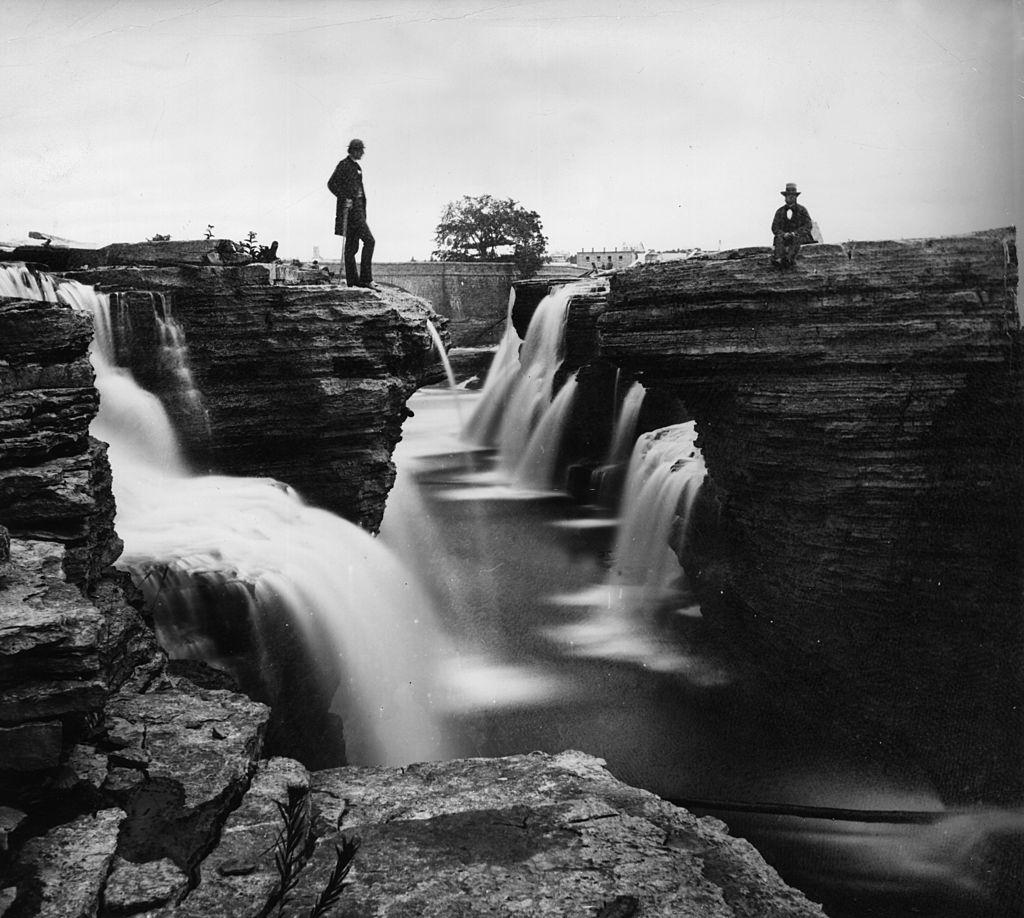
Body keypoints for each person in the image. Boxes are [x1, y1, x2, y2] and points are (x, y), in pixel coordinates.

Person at [327, 139, 375, 288]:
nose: (362, 153)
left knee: (351, 247)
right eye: (360, 150)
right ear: (354, 150)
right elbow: (331, 184)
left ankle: (353, 282)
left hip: (359, 210)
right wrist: (344, 198)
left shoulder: (357, 167)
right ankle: (365, 279)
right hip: (351, 211)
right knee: (369, 241)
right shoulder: (344, 165)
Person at [771, 182, 814, 267]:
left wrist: (796, 233)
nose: (790, 197)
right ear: (785, 197)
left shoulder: (802, 210)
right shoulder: (780, 211)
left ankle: (789, 259)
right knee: (778, 238)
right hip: (785, 238)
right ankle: (778, 259)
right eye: (788, 195)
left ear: (796, 197)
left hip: (800, 237)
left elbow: (808, 225)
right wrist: (783, 234)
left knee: (797, 238)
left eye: (793, 195)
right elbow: (774, 227)